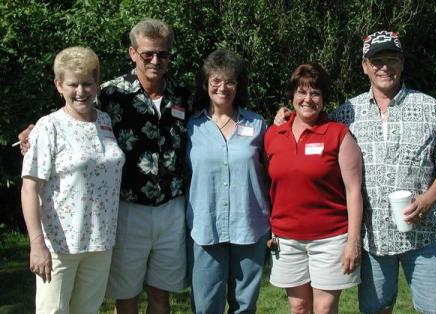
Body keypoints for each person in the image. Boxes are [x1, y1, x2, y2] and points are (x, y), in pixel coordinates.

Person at [276, 31, 436, 314]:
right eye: (376, 61)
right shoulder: (347, 112)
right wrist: (287, 115)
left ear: (402, 62)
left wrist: (427, 200)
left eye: (391, 59)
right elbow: (310, 121)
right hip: (373, 238)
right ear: (365, 66)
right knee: (376, 310)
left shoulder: (430, 108)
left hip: (425, 232)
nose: (384, 67)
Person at [18, 18, 191, 314]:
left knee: (158, 294)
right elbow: (70, 114)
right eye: (147, 53)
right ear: (133, 53)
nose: (155, 60)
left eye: (162, 54)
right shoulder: (112, 94)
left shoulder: (184, 95)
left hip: (162, 210)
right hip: (125, 211)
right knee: (125, 295)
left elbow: (221, 111)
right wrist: (32, 133)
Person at [21, 46, 125, 313]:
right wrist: (37, 244)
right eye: (73, 84)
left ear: (97, 85)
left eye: (87, 84)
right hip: (59, 245)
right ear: (59, 85)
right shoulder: (48, 126)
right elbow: (30, 187)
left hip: (100, 242)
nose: (81, 91)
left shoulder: (105, 121)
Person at [265, 63, 363, 314]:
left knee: (324, 308)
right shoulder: (273, 133)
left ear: (323, 99)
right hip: (286, 239)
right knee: (298, 308)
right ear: (292, 96)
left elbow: (354, 191)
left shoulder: (338, 134)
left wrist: (353, 242)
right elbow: (267, 184)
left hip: (330, 238)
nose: (308, 99)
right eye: (302, 92)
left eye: (315, 93)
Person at [186, 48, 270, 314]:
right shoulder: (191, 126)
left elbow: (272, 171)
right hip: (204, 227)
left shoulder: (257, 125)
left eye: (230, 81)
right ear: (206, 84)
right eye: (216, 81)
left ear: (238, 85)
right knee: (205, 305)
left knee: (244, 306)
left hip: (250, 226)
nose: (223, 87)